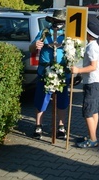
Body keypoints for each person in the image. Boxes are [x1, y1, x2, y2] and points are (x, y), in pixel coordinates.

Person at [29, 8, 69, 139]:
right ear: (52, 20)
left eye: (60, 20)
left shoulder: (68, 34)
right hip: (45, 72)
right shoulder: (44, 32)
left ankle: (61, 127)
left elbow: (77, 49)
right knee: (41, 100)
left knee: (62, 101)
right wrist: (36, 45)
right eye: (56, 20)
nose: (57, 23)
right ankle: (38, 126)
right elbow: (32, 48)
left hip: (62, 73)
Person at [71, 19, 99, 148]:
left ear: (89, 34)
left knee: (88, 112)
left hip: (92, 83)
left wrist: (78, 70)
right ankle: (92, 135)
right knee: (94, 110)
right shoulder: (94, 45)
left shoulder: (91, 48)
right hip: (97, 82)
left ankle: (93, 139)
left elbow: (93, 66)